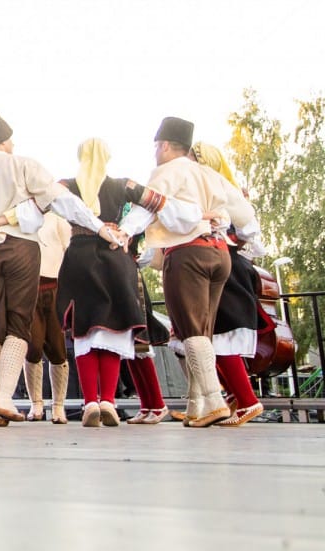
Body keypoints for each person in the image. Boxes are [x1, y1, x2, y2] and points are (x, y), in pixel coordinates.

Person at [0, 109, 125, 428]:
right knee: (19, 323)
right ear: (5, 138)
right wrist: (99, 227)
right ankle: (3, 398)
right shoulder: (23, 164)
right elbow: (63, 200)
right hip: (21, 248)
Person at [118, 117, 232, 428]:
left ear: (165, 145)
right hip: (219, 252)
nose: (155, 153)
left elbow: (147, 206)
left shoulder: (167, 171)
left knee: (190, 330)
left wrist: (124, 231)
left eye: (156, 147)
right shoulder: (207, 173)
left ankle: (215, 401)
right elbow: (232, 211)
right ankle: (196, 405)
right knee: (203, 331)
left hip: (186, 253)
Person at [54, 138, 148, 428]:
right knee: (113, 327)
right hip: (114, 256)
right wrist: (127, 230)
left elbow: (46, 200)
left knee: (84, 330)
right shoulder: (122, 185)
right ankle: (107, 399)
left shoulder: (66, 185)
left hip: (79, 256)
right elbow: (156, 203)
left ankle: (90, 402)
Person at [191, 141, 267, 427]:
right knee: (210, 336)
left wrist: (225, 236)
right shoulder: (209, 189)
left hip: (226, 265)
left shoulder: (222, 190)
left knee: (220, 335)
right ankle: (236, 396)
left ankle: (248, 401)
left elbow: (250, 233)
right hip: (220, 263)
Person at [24, 211, 71, 424]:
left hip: (55, 287)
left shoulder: (57, 217)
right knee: (33, 346)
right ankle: (36, 403)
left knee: (58, 348)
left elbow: (68, 248)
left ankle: (58, 405)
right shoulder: (21, 214)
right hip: (29, 286)